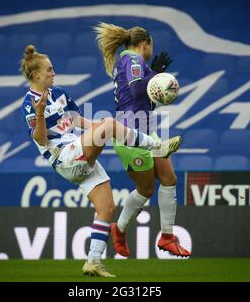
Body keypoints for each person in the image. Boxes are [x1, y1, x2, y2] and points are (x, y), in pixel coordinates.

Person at [19, 45, 180, 277]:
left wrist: (103, 129)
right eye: (49, 70)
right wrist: (42, 114)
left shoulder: (59, 93)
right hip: (64, 157)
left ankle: (93, 261)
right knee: (108, 124)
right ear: (36, 75)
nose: (54, 73)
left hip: (78, 152)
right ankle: (157, 146)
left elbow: (77, 120)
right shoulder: (30, 104)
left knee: (106, 207)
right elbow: (41, 140)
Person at [94, 22, 191, 258]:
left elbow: (138, 94)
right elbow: (138, 91)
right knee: (146, 189)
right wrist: (155, 76)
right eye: (151, 46)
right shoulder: (134, 60)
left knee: (169, 179)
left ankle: (167, 237)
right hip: (130, 134)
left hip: (145, 129)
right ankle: (119, 230)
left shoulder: (127, 62)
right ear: (144, 44)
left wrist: (153, 74)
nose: (150, 51)